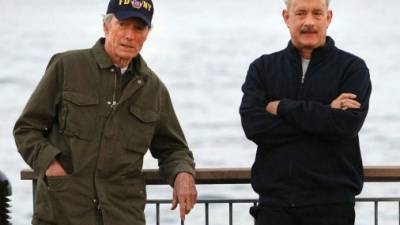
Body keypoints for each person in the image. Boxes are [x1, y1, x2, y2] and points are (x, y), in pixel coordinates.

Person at [13, 1, 197, 225]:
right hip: (62, 214)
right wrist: (51, 165)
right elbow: (26, 129)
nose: (129, 35)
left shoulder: (154, 89)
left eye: (138, 28)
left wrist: (183, 174)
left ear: (147, 34)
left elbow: (173, 148)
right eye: (122, 24)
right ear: (106, 26)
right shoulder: (66, 66)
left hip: (123, 216)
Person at [239, 0, 371, 224]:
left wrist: (281, 107)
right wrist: (326, 112)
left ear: (328, 18)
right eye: (300, 13)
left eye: (317, 13)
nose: (309, 21)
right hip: (274, 207)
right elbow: (254, 126)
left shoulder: (352, 68)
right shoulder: (262, 68)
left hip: (333, 207)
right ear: (286, 17)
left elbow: (345, 125)